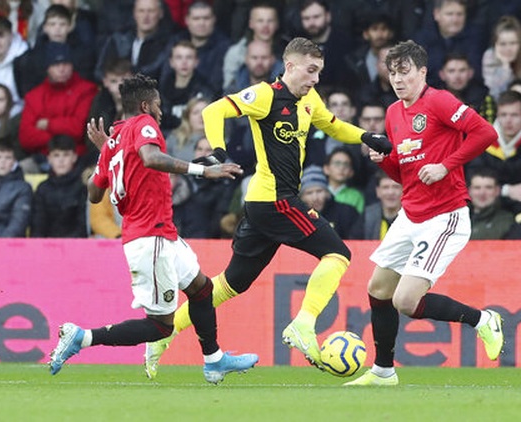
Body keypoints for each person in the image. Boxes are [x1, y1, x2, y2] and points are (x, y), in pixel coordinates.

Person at [142, 36, 392, 378]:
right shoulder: (266, 95)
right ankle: (303, 325)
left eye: (319, 72)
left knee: (229, 285)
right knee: (337, 255)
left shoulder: (309, 99)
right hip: (275, 200)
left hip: (266, 204)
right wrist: (218, 149)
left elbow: (332, 125)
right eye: (311, 71)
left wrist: (365, 136)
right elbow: (215, 110)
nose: (315, 79)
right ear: (290, 66)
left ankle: (161, 335)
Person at [48, 73, 259, 383]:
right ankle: (82, 337)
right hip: (150, 236)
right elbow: (150, 157)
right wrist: (204, 170)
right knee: (161, 326)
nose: (161, 112)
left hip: (161, 234)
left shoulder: (115, 139)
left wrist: (105, 153)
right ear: (146, 105)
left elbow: (94, 194)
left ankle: (214, 360)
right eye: (158, 105)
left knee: (202, 290)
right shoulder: (143, 125)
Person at [343, 40, 503, 387]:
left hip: (445, 215)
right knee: (378, 288)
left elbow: (486, 133)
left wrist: (446, 166)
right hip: (410, 213)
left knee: (405, 300)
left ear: (422, 72)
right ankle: (384, 371)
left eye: (405, 72)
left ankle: (483, 320)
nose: (398, 80)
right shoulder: (393, 113)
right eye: (393, 73)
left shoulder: (439, 101)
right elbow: (404, 175)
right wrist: (384, 160)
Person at [466, 90, 521, 215]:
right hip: (484, 208)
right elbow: (472, 178)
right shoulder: (484, 141)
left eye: (514, 115)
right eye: (503, 115)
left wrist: (496, 192)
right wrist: (506, 190)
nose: (508, 120)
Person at [18, 41, 98, 170]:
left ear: (72, 65)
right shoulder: (34, 96)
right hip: (43, 157)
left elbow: (78, 129)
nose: (61, 69)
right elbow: (26, 137)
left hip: (77, 158)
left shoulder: (86, 90)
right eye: (56, 64)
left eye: (65, 64)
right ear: (48, 68)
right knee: (24, 167)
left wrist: (48, 124)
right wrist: (61, 136)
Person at [30, 135, 87, 238]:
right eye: (56, 155)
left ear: (74, 157)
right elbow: (38, 226)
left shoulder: (83, 187)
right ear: (49, 159)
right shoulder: (42, 189)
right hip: (46, 247)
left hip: (76, 246)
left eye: (66, 155)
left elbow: (83, 226)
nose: (61, 160)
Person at [481, 15, 521, 101]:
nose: (508, 49)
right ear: (495, 45)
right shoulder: (490, 57)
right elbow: (493, 93)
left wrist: (519, 93)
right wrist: (505, 67)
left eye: (513, 43)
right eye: (502, 44)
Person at [299, 165, 362, 240]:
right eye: (309, 193)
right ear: (302, 197)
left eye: (319, 191)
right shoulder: (298, 217)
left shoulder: (347, 212)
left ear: (327, 192)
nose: (315, 198)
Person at [468, 167, 515, 239]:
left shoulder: (506, 220)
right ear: (469, 191)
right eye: (477, 188)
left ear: (497, 191)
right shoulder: (457, 218)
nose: (482, 193)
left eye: (488, 187)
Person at [361, 171, 402, 240]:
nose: (390, 192)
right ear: (378, 191)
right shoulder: (367, 216)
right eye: (385, 187)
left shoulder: (412, 217)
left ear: (403, 190)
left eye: (396, 187)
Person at [323, 147, 365, 214]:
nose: (341, 168)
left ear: (351, 172)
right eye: (337, 163)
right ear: (326, 169)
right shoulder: (319, 192)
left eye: (346, 164)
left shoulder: (356, 196)